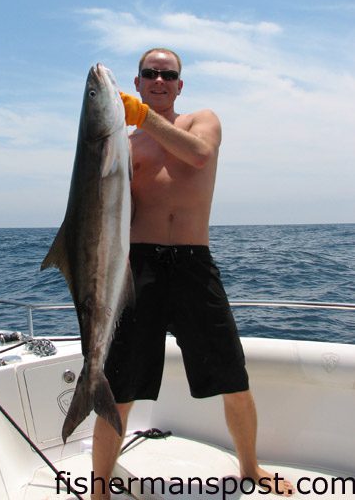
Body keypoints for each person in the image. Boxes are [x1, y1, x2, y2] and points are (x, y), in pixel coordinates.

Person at [91, 48, 294, 497]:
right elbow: (112, 211)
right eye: (150, 74)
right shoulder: (122, 145)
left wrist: (143, 117)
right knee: (119, 384)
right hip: (137, 267)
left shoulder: (201, 121)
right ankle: (99, 488)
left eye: (168, 74)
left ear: (179, 85)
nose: (159, 80)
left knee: (232, 376)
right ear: (138, 81)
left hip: (193, 265)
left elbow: (199, 156)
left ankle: (251, 467)